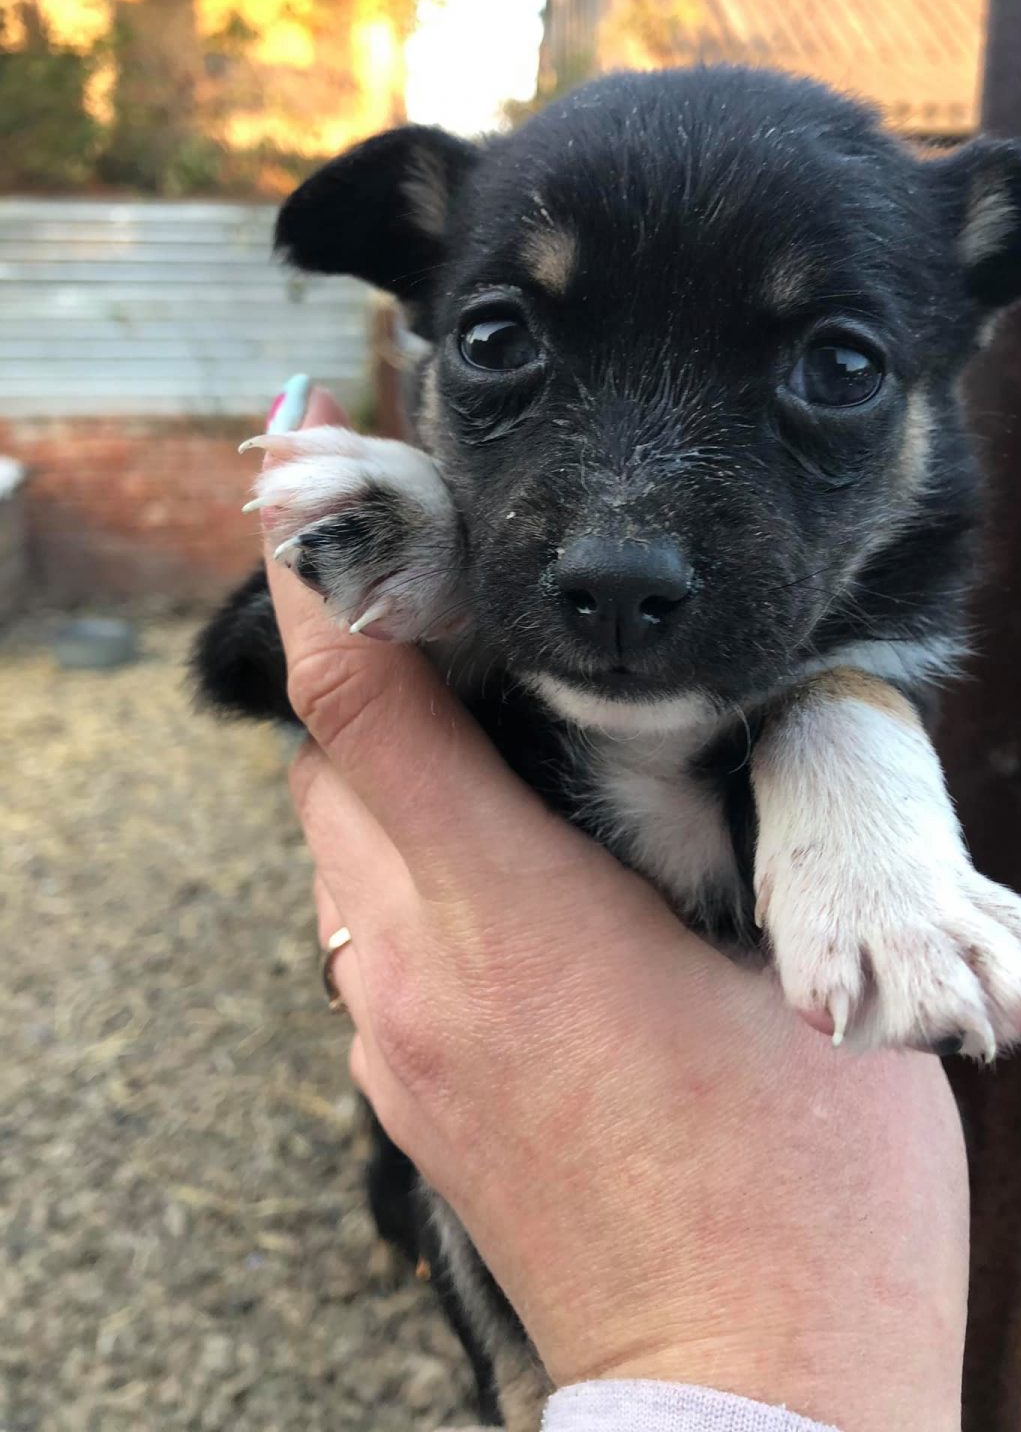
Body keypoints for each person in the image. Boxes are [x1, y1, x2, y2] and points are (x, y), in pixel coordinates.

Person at [262, 385, 969, 1432]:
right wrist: (453, 565)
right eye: (503, 346)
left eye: (835, 364)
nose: (623, 533)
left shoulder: (861, 656)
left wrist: (845, 727)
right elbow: (252, 655)